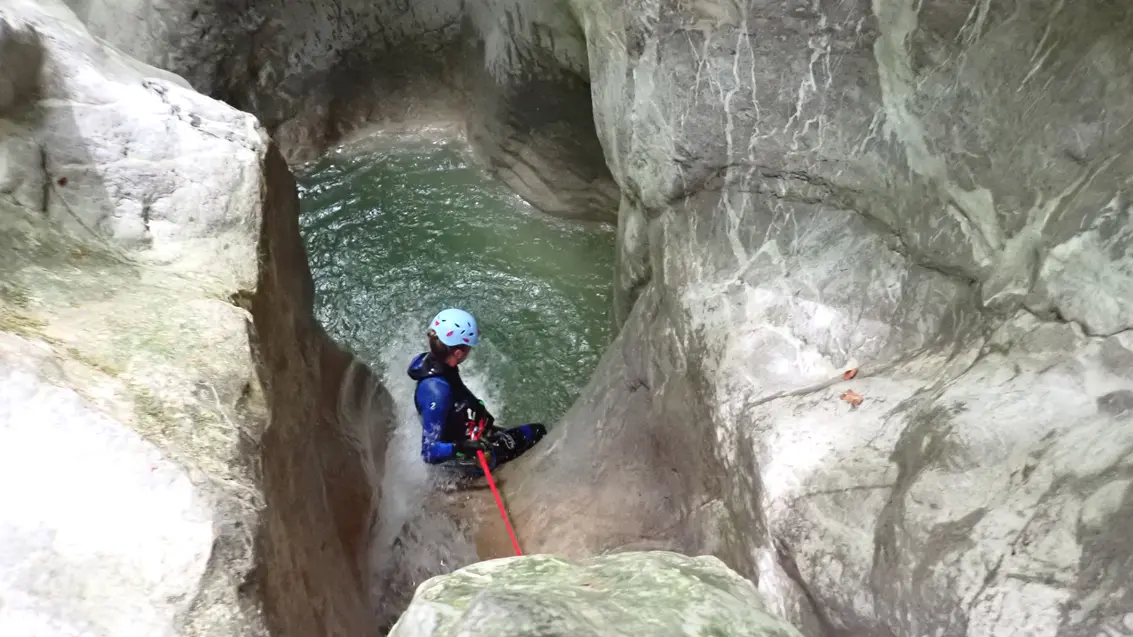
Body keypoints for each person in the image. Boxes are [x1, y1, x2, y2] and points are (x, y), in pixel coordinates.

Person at [407, 308, 546, 473]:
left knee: (513, 435)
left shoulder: (438, 363)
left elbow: (458, 392)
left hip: (465, 432)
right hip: (463, 457)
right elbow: (429, 453)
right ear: (458, 353)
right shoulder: (436, 392)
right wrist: (463, 447)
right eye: (468, 348)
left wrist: (477, 408)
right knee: (536, 432)